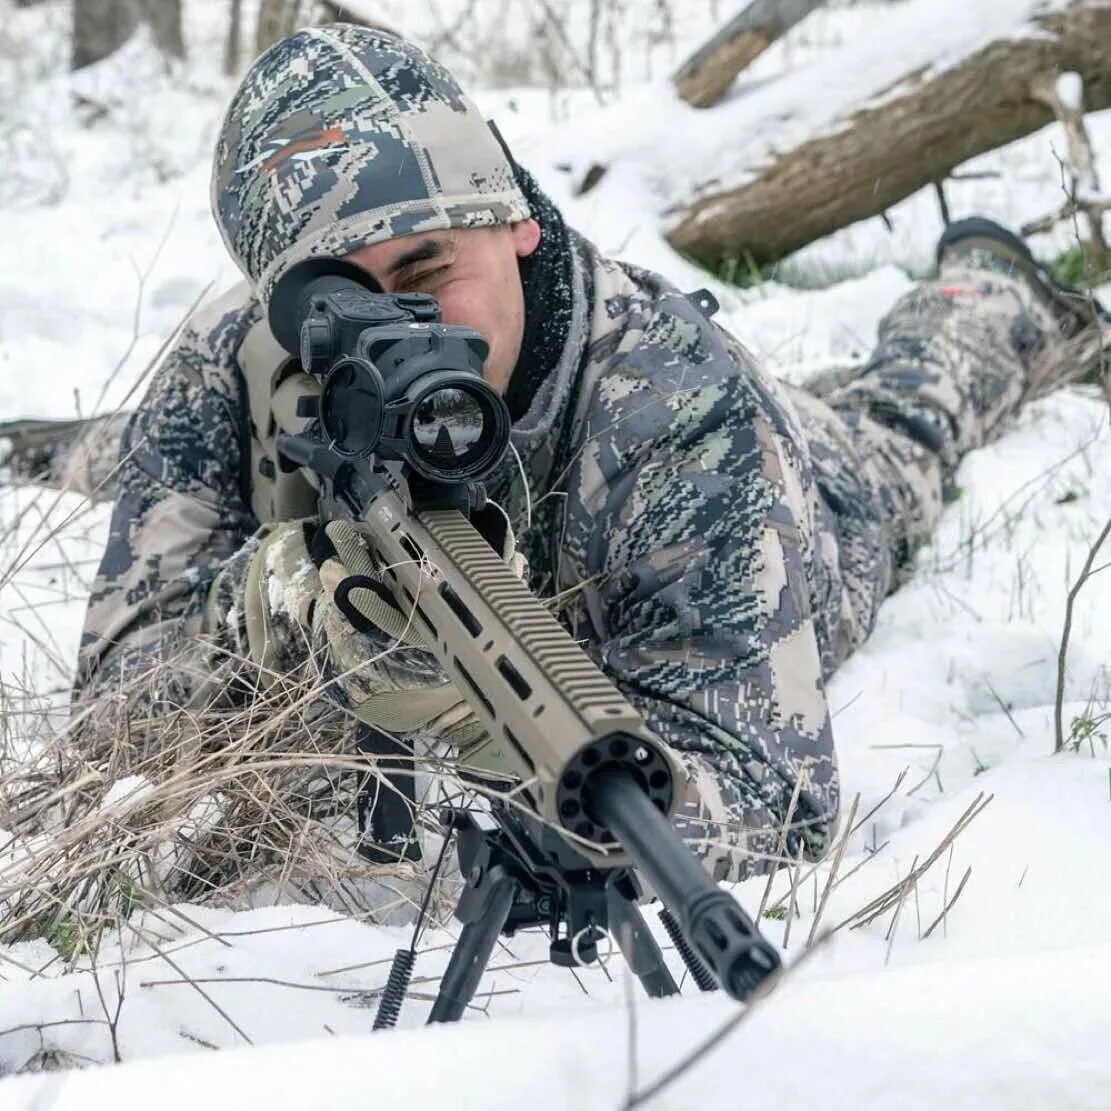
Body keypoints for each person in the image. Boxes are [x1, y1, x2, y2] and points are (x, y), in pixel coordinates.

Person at [70, 24, 1106, 896]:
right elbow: (106, 733)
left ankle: (987, 296)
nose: (401, 330)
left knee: (898, 425)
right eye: (340, 303)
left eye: (428, 267)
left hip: (812, 492)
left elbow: (766, 795)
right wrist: (274, 613)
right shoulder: (230, 362)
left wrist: (521, 788)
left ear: (516, 220)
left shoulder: (678, 402)